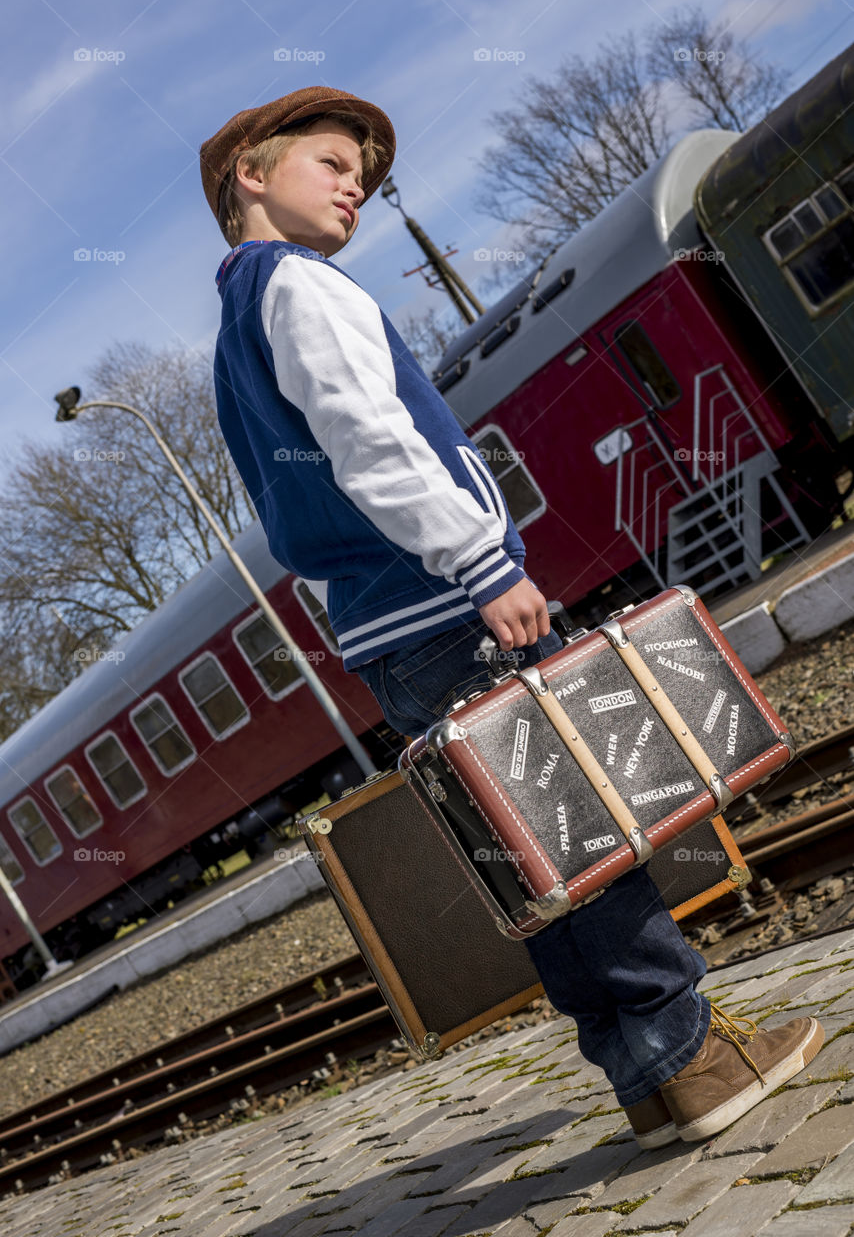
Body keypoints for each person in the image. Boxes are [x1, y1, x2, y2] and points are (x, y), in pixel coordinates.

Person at [199, 86, 824, 1146]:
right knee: (581, 830)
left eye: (367, 173)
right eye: (332, 162)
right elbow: (370, 442)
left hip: (388, 628)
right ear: (251, 174)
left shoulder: (235, 328)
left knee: (537, 860)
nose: (358, 183)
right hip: (442, 604)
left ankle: (646, 1074)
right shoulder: (300, 286)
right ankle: (694, 1055)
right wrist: (481, 560)